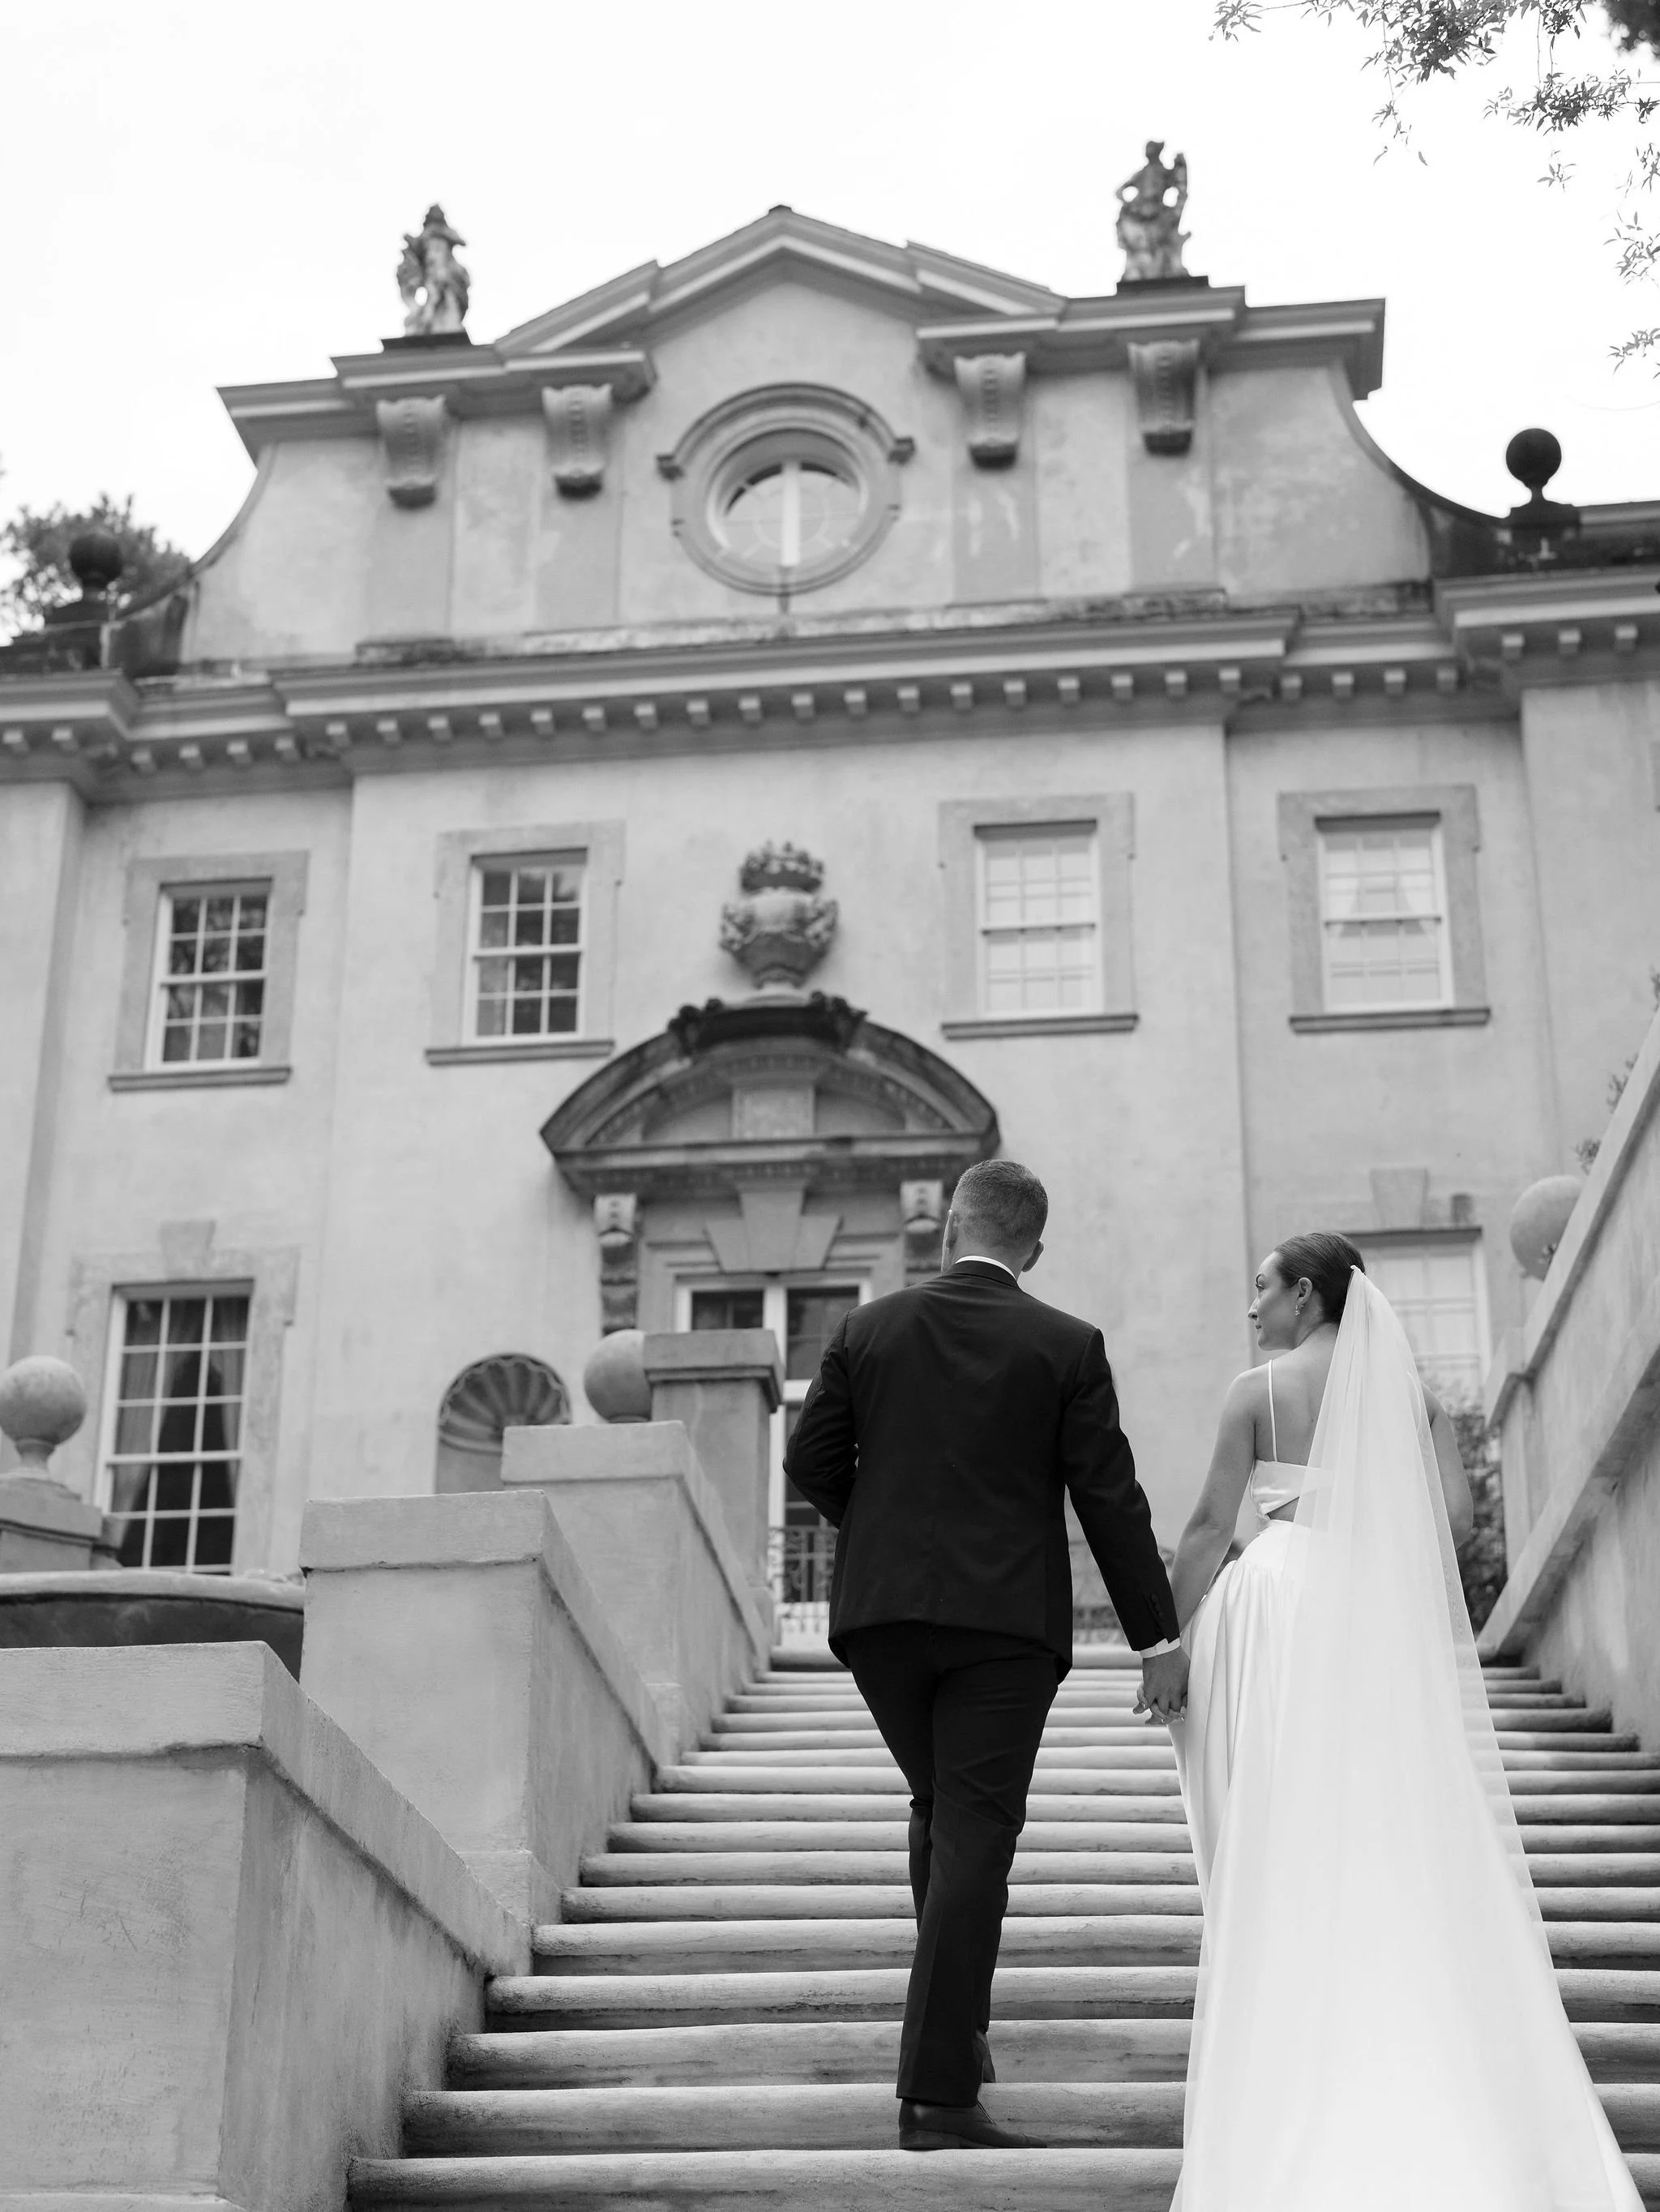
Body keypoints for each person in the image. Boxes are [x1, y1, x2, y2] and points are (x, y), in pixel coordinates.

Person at [1164, 1234, 1641, 2211]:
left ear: (1304, 1295)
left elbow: (1210, 1528)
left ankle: (1299, 2024)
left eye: (1260, 1287)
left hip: (1280, 1604)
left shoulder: (1253, 1390)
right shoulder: (1411, 1399)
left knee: (1283, 1824)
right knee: (1383, 1823)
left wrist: (1163, 1644)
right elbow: (1454, 1525)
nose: (1250, 1306)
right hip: (1372, 1613)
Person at [785, 1158, 1187, 2153]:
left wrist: (874, 1535)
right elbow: (1109, 1497)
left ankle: (955, 2029)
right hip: (1002, 1626)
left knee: (940, 1810)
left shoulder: (864, 1327)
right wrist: (1157, 1636)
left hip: (880, 1626)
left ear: (950, 1223)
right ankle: (936, 2092)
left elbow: (808, 1459)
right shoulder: (1064, 1343)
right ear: (1033, 1247)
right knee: (973, 1831)